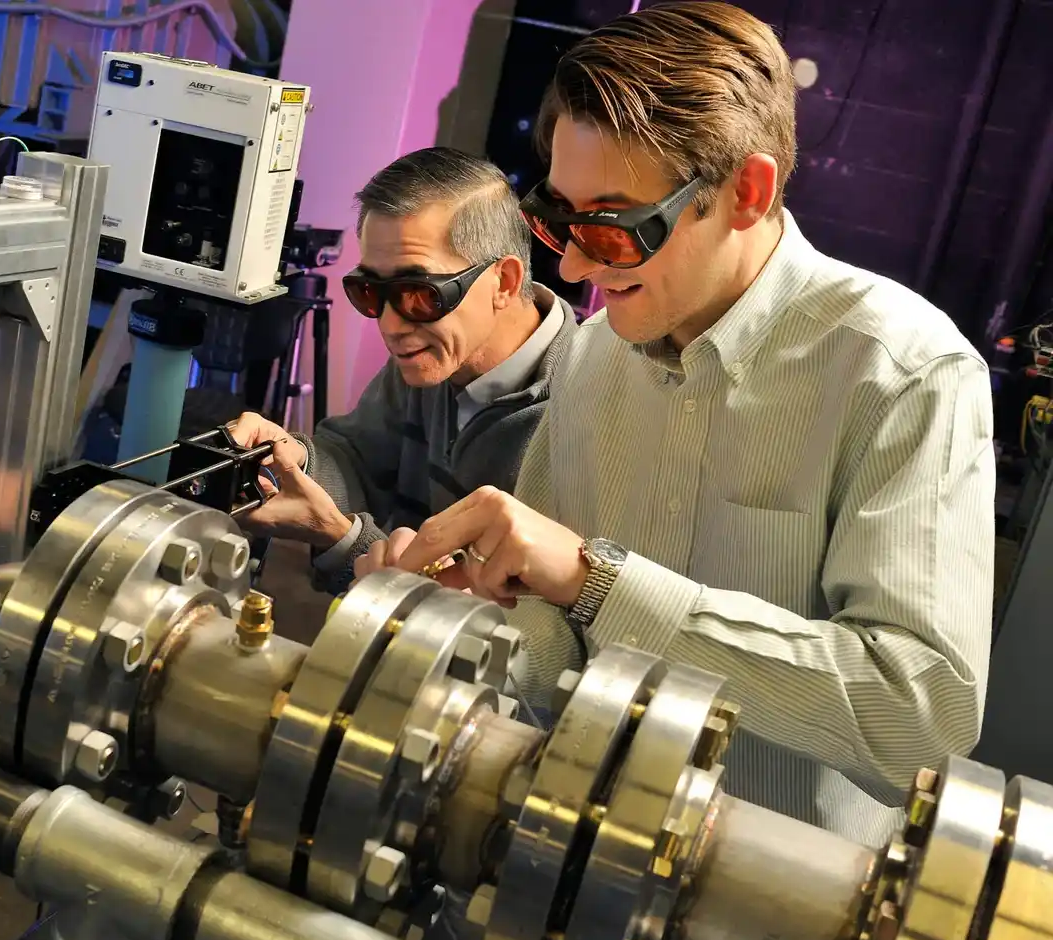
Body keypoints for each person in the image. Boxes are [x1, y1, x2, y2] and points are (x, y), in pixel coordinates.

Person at [375, 2, 994, 847]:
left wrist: (602, 581)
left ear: (746, 192)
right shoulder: (595, 355)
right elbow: (551, 646)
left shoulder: (899, 372)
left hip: (781, 904)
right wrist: (462, 619)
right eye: (558, 218)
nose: (575, 265)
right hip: (576, 846)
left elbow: (922, 714)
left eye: (614, 229)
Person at [228, 147, 577, 592]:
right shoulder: (432, 357)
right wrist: (291, 460)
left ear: (504, 282)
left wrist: (342, 539)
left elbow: (500, 617)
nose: (391, 325)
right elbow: (356, 459)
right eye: (370, 291)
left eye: (420, 294)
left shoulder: (583, 404)